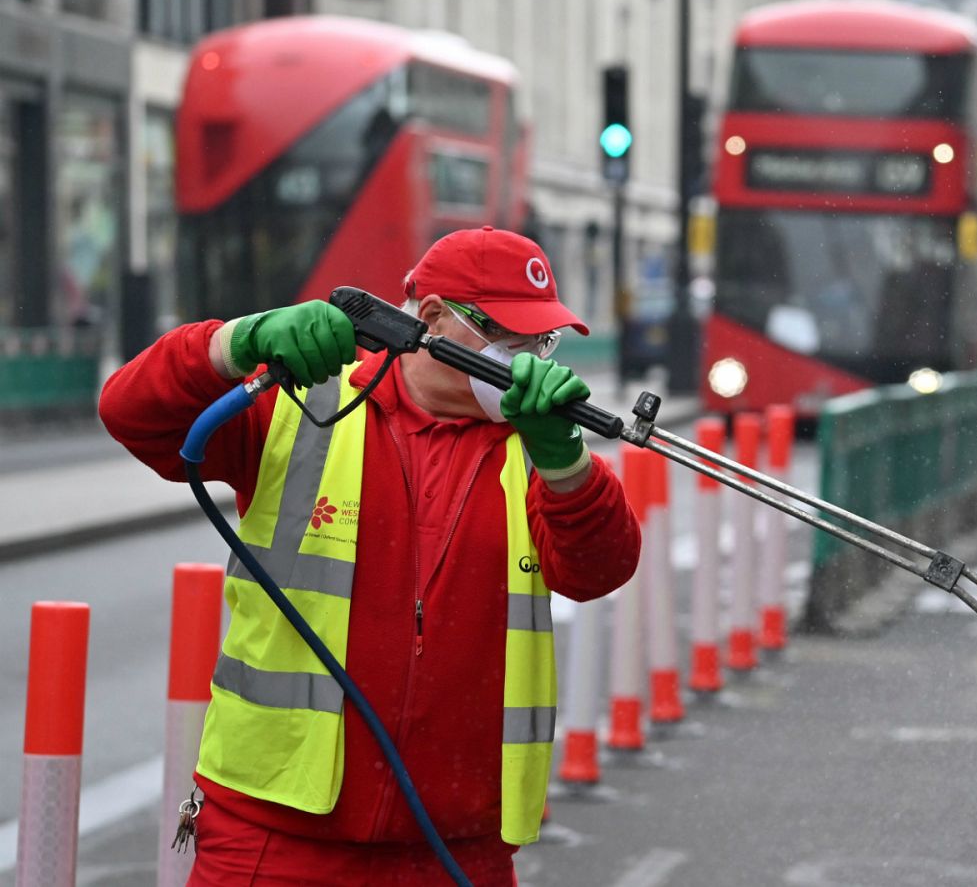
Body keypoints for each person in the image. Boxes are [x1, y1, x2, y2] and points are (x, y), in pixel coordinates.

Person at [99, 226, 641, 884]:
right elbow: (132, 412)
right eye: (509, 334)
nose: (527, 357)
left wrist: (568, 462)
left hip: (456, 848)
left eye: (542, 341)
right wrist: (232, 343)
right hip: (275, 836)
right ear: (434, 319)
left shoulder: (535, 444)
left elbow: (599, 570)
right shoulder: (303, 404)